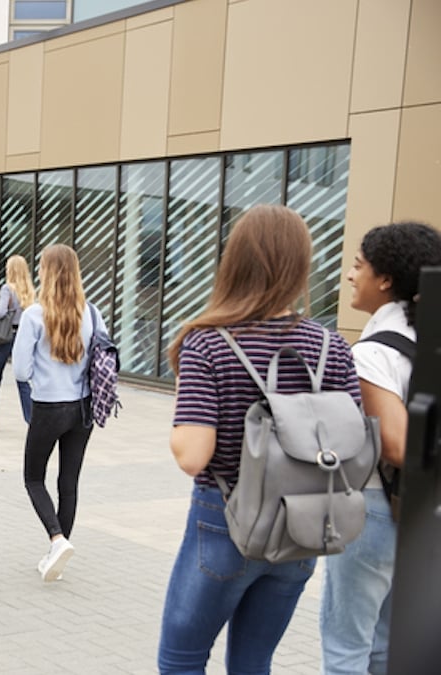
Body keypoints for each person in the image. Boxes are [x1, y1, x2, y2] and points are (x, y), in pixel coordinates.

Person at [157, 204, 361, 673]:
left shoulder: (208, 342)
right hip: (305, 526)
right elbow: (354, 448)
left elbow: (193, 455)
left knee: (181, 661)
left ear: (235, 261)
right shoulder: (331, 347)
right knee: (253, 663)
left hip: (226, 521)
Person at [319, 222, 441, 675]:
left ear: (385, 279)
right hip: (419, 512)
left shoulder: (373, 353)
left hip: (374, 508)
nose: (351, 276)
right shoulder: (425, 343)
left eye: (358, 266)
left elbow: (394, 444)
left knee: (346, 647)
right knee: (387, 647)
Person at [11, 245, 101, 582]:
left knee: (33, 477)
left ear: (45, 273)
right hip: (84, 406)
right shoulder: (91, 313)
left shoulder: (35, 315)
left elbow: (20, 370)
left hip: (49, 406)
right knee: (69, 481)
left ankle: (57, 539)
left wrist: (42, 376)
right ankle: (57, 553)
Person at [0, 255, 34, 431]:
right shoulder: (29, 290)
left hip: (5, 338)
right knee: (22, 379)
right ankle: (32, 420)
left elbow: (1, 312)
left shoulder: (7, 289)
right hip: (22, 336)